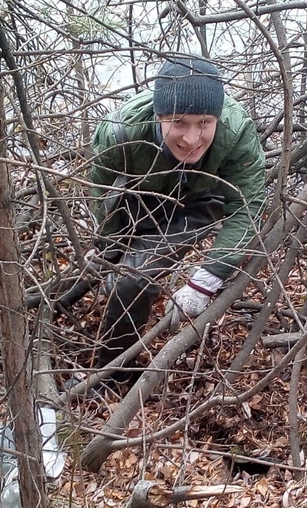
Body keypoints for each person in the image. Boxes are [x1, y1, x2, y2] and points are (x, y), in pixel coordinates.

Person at [85, 55, 266, 378]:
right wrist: (106, 247)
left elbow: (247, 205)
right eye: (179, 122)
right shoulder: (119, 132)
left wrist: (208, 277)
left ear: (217, 118)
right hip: (140, 194)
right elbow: (103, 193)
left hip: (197, 200)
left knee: (133, 281)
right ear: (159, 116)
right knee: (98, 269)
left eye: (204, 124)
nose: (192, 139)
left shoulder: (236, 129)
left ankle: (111, 376)